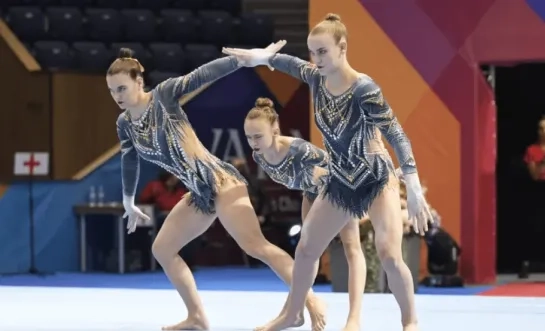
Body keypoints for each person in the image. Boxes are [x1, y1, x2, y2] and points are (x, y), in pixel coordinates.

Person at [223, 14, 433, 331]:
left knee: (389, 254)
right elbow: (292, 64)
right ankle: (294, 314)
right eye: (312, 51)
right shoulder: (316, 78)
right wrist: (263, 58)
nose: (316, 59)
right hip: (340, 181)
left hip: (376, 179)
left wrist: (414, 189)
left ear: (342, 47)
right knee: (306, 249)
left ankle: (410, 322)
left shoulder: (364, 88)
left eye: (322, 51)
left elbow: (397, 135)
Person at [108, 45, 325, 331]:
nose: (117, 97)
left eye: (122, 88)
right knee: (162, 248)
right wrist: (128, 200)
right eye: (112, 91)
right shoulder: (125, 124)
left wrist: (242, 61)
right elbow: (129, 158)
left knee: (255, 245)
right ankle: (197, 317)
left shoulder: (163, 96)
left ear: (138, 82)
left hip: (220, 181)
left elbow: (202, 75)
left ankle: (305, 302)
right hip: (199, 193)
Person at [244, 97, 367, 331]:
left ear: (275, 130)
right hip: (312, 193)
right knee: (306, 253)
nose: (253, 143)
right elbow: (307, 183)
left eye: (258, 137)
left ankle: (354, 320)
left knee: (352, 248)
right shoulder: (258, 156)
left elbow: (335, 173)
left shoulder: (298, 149)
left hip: (340, 188)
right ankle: (293, 313)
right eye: (249, 137)